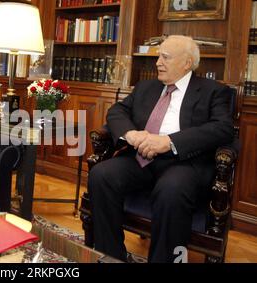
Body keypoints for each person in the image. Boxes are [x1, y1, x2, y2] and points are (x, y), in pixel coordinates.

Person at [88, 35, 234, 263]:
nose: (157, 63)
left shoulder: (213, 91)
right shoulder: (146, 87)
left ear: (187, 63)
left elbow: (223, 128)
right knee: (101, 174)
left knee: (172, 190)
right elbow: (117, 111)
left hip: (183, 163)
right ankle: (111, 255)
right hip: (140, 158)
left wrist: (169, 141)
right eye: (158, 57)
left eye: (165, 57)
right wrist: (132, 134)